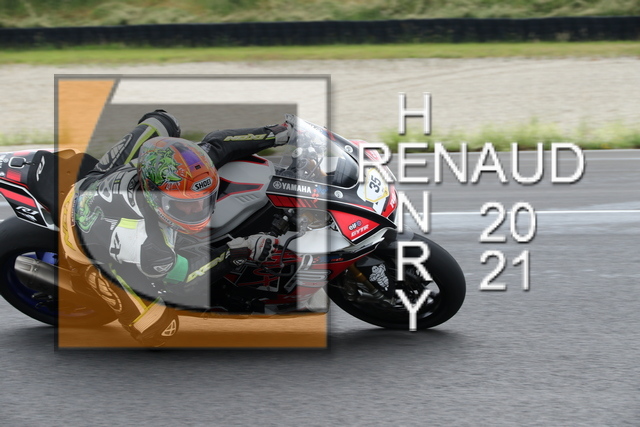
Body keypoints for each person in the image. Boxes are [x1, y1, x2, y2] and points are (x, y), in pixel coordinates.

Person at [67, 110, 291, 346]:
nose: (197, 209)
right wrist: (237, 251)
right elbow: (185, 280)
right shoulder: (149, 244)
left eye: (203, 200)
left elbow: (218, 144)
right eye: (185, 205)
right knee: (158, 331)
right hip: (86, 244)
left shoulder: (172, 174)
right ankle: (92, 277)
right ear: (155, 198)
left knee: (163, 119)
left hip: (93, 182)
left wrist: (276, 133)